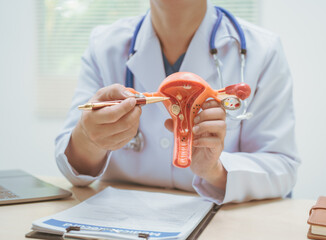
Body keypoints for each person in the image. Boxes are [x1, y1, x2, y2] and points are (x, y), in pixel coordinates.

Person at [55, 0, 300, 204]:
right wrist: (89, 138)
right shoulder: (103, 46)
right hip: (121, 222)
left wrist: (215, 170)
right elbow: (73, 170)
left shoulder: (263, 51)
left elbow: (283, 169)